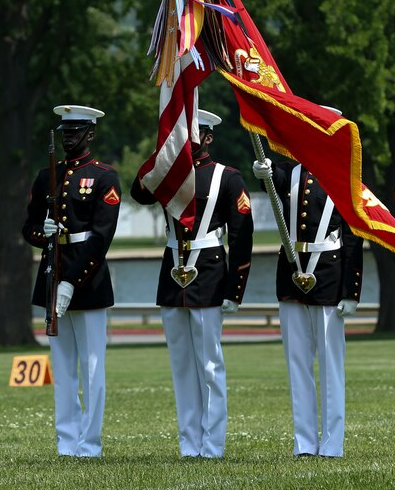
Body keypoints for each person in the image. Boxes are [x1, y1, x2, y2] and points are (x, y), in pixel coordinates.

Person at [131, 109, 254, 458]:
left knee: (209, 364)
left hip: (210, 270)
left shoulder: (227, 178)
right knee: (181, 365)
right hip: (173, 268)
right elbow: (138, 192)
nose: (187, 139)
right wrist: (159, 154)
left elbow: (242, 235)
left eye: (193, 133)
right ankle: (189, 443)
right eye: (181, 133)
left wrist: (236, 289)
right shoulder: (168, 175)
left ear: (209, 137)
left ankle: (212, 444)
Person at [252, 113, 362, 458]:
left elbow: (354, 237)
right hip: (292, 271)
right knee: (297, 362)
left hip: (329, 272)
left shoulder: (344, 176)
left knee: (330, 364)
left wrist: (351, 290)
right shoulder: (290, 174)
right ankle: (303, 442)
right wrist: (263, 174)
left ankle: (332, 443)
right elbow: (271, 181)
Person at [23, 104, 121, 458]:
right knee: (62, 368)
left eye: (75, 132)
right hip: (53, 270)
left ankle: (90, 443)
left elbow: (101, 236)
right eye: (64, 132)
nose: (68, 138)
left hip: (87, 277)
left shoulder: (104, 177)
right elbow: (29, 227)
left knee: (93, 367)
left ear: (90, 134)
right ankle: (67, 441)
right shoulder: (46, 174)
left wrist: (72, 282)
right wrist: (42, 231)